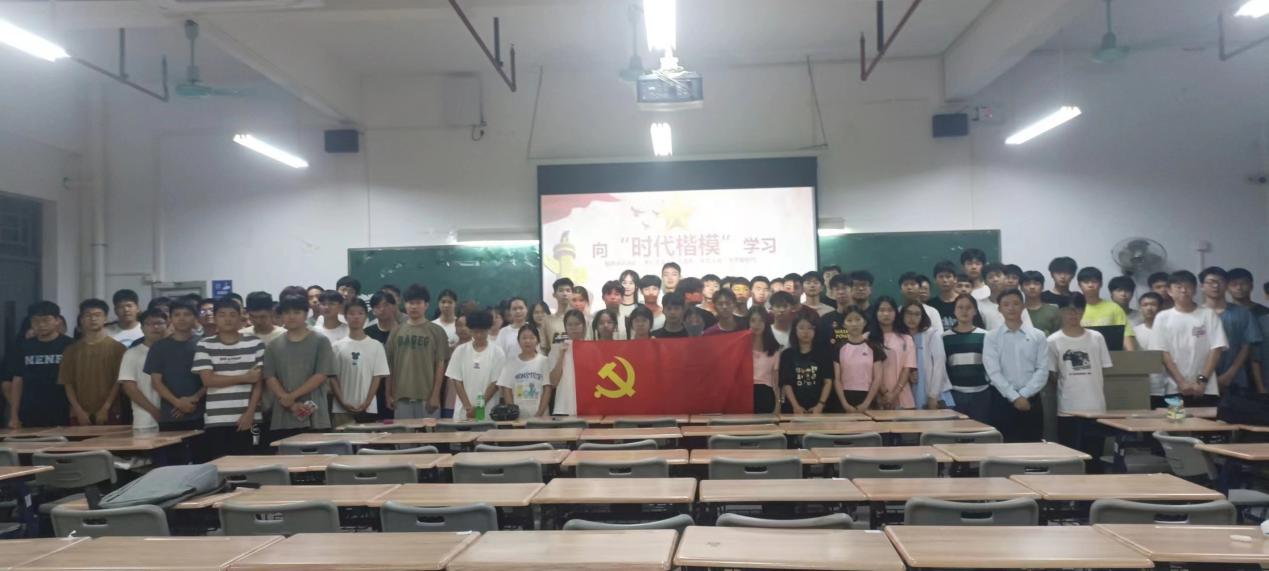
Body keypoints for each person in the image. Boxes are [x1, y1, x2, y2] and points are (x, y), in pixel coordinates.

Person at [194, 298, 265, 456]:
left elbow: (259, 382)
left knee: (252, 464)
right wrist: (245, 377)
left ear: (241, 317)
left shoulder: (255, 343)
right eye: (222, 315)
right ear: (215, 318)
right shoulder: (204, 345)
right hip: (217, 418)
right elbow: (208, 380)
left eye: (232, 315)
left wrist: (250, 413)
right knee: (221, 465)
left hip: (250, 417)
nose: (227, 319)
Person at [262, 295, 335, 442]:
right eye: (287, 313)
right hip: (283, 412)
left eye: (297, 312)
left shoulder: (320, 341)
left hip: (314, 411)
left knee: (317, 454)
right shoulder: (273, 345)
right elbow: (270, 376)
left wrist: (291, 397)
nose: (291, 317)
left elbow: (321, 375)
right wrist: (289, 401)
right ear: (281, 315)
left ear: (306, 313)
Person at [1049, 293, 1113, 459]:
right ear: (1061, 311)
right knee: (1071, 457)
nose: (1073, 314)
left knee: (1095, 457)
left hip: (1095, 407)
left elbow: (1104, 369)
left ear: (1084, 310)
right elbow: (1052, 375)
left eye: (1077, 309)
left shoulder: (1097, 337)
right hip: (1068, 409)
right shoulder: (1053, 341)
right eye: (1068, 310)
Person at [1149, 271, 1227, 407]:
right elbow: (1162, 352)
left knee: (1207, 420)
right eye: (1178, 287)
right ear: (1169, 291)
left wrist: (1201, 381)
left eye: (1188, 286)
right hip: (1174, 388)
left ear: (1195, 290)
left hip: (1206, 388)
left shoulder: (1208, 315)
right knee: (1176, 420)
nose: (1184, 290)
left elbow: (1216, 349)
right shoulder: (1162, 317)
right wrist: (1181, 382)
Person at [982, 289, 1048, 442]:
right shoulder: (991, 337)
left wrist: (1024, 394)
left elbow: (1042, 369)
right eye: (1006, 304)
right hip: (1002, 399)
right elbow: (993, 372)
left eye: (1016, 303)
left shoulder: (1038, 336)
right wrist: (1014, 397)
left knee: (1032, 445)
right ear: (999, 309)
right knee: (1004, 447)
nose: (1011, 308)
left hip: (1031, 398)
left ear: (1023, 306)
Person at [385, 284, 449, 419]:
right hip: (401, 397)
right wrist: (388, 393)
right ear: (405, 305)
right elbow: (389, 365)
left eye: (418, 303)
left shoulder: (437, 331)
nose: (414, 307)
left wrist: (436, 395)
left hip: (427, 397)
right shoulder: (396, 331)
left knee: (429, 433)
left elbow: (440, 365)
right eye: (410, 303)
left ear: (426, 305)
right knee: (404, 433)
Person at [5, 301, 72, 428]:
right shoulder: (23, 347)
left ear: (57, 320)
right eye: (35, 321)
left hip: (63, 409)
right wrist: (14, 415)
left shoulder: (70, 345)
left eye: (46, 320)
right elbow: (18, 381)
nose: (41, 325)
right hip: (30, 410)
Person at [1200, 267, 1264, 398]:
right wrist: (1204, 378)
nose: (1215, 286)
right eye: (1210, 282)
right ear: (1202, 286)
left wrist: (1229, 375)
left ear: (1226, 285)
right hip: (1200, 382)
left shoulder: (1243, 313)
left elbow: (1246, 346)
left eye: (1220, 281)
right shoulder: (1194, 314)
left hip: (1236, 381)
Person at [60, 299, 126, 425]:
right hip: (78, 413)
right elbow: (67, 383)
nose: (93, 319)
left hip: (111, 411)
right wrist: (78, 410)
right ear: (81, 319)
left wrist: (106, 408)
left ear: (105, 319)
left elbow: (119, 382)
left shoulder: (118, 348)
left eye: (97, 315)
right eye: (88, 315)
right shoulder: (70, 350)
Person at [146, 299, 206, 435]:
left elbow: (210, 378)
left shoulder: (205, 344)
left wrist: (192, 400)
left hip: (200, 413)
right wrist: (178, 403)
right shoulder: (159, 347)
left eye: (187, 314)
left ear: (195, 318)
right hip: (170, 414)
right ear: (170, 318)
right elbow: (156, 382)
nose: (182, 318)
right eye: (177, 314)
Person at [331, 299, 389, 426]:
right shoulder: (336, 346)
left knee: (367, 438)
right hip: (341, 409)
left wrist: (367, 402)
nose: (356, 317)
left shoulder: (376, 346)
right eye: (352, 313)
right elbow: (332, 377)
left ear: (366, 317)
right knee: (341, 438)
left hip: (368, 408)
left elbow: (377, 377)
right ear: (345, 317)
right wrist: (342, 402)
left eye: (360, 313)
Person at [445, 309, 505, 420]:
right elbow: (457, 381)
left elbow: (495, 383)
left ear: (488, 329)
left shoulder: (497, 352)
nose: (479, 335)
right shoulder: (460, 350)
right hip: (463, 411)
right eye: (475, 331)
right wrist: (468, 407)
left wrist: (479, 407)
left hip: (487, 410)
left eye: (482, 332)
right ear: (470, 330)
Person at [117, 309, 169, 433]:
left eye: (159, 323)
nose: (155, 327)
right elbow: (129, 388)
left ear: (167, 325)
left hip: (176, 419)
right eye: (149, 324)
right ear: (142, 328)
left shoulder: (174, 351)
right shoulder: (132, 354)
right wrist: (154, 411)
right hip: (145, 420)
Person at [943, 294, 991, 424]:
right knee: (956, 431)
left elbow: (991, 365)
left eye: (969, 307)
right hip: (955, 393)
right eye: (960, 307)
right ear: (954, 311)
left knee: (980, 431)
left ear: (975, 311)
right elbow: (943, 368)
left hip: (981, 393)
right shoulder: (944, 337)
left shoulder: (985, 336)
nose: (964, 311)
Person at [897, 300, 953, 410]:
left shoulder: (931, 334)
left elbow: (939, 364)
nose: (912, 318)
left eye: (917, 314)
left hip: (931, 391)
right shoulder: (899, 337)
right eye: (909, 313)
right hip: (906, 391)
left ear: (922, 317)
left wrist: (933, 395)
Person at [779, 316, 834, 415]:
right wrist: (795, 406)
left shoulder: (824, 353)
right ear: (795, 330)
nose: (806, 332)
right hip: (792, 409)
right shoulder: (787, 355)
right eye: (801, 328)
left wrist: (820, 405)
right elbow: (787, 383)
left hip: (819, 409)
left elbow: (828, 381)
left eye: (810, 328)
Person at [834, 306, 884, 412]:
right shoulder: (838, 348)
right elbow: (837, 379)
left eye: (858, 319)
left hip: (868, 399)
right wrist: (844, 403)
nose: (854, 324)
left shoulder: (874, 347)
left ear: (864, 322)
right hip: (844, 399)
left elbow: (877, 378)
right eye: (849, 320)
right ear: (843, 325)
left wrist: (867, 403)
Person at [870, 297, 916, 410]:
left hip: (902, 394)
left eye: (890, 310)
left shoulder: (906, 339)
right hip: (875, 396)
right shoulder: (867, 338)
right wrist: (885, 393)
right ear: (875, 313)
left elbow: (907, 368)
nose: (886, 314)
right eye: (881, 310)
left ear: (896, 313)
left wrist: (894, 394)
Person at [1076, 267, 1136, 350]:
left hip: (1110, 354)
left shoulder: (1114, 308)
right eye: (1086, 282)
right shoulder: (1075, 309)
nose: (1090, 285)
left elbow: (1126, 334)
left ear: (1101, 284)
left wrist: (1131, 355)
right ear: (1079, 285)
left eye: (1094, 281)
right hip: (1081, 353)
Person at [497, 324, 548, 418]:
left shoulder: (544, 361)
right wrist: (513, 413)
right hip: (517, 418)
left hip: (541, 416)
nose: (527, 341)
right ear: (518, 341)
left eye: (532, 338)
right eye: (524, 338)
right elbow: (507, 389)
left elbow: (547, 389)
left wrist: (539, 414)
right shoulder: (510, 363)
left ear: (537, 341)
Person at [547, 309, 588, 415]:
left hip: (587, 405)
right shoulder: (556, 349)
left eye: (577, 324)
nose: (573, 328)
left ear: (583, 326)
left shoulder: (591, 348)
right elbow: (553, 382)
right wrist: (561, 355)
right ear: (565, 327)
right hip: (563, 406)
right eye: (570, 325)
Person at [749, 307, 781, 414]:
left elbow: (775, 380)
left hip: (765, 394)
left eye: (761, 321)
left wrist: (778, 403)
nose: (756, 324)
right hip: (745, 392)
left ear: (766, 323)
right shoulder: (742, 347)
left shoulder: (774, 349)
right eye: (753, 320)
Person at [899, 272, 944, 337]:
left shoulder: (932, 312)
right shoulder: (897, 311)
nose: (909, 287)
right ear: (901, 290)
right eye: (905, 284)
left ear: (920, 288)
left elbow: (939, 336)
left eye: (912, 284)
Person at [1021, 271, 1061, 335]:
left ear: (1042, 287)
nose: (1032, 287)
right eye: (1027, 284)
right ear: (1021, 288)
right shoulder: (1016, 311)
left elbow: (1058, 336)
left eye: (1036, 283)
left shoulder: (1053, 311)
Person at [540, 278, 573, 354]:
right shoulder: (547, 320)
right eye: (561, 290)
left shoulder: (581, 319)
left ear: (572, 294)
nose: (565, 294)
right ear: (554, 295)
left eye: (568, 290)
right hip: (555, 360)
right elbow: (544, 348)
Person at [929, 261, 960, 332]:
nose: (945, 280)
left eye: (948, 276)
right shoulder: (930, 305)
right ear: (935, 280)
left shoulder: (966, 302)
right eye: (941, 277)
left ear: (955, 279)